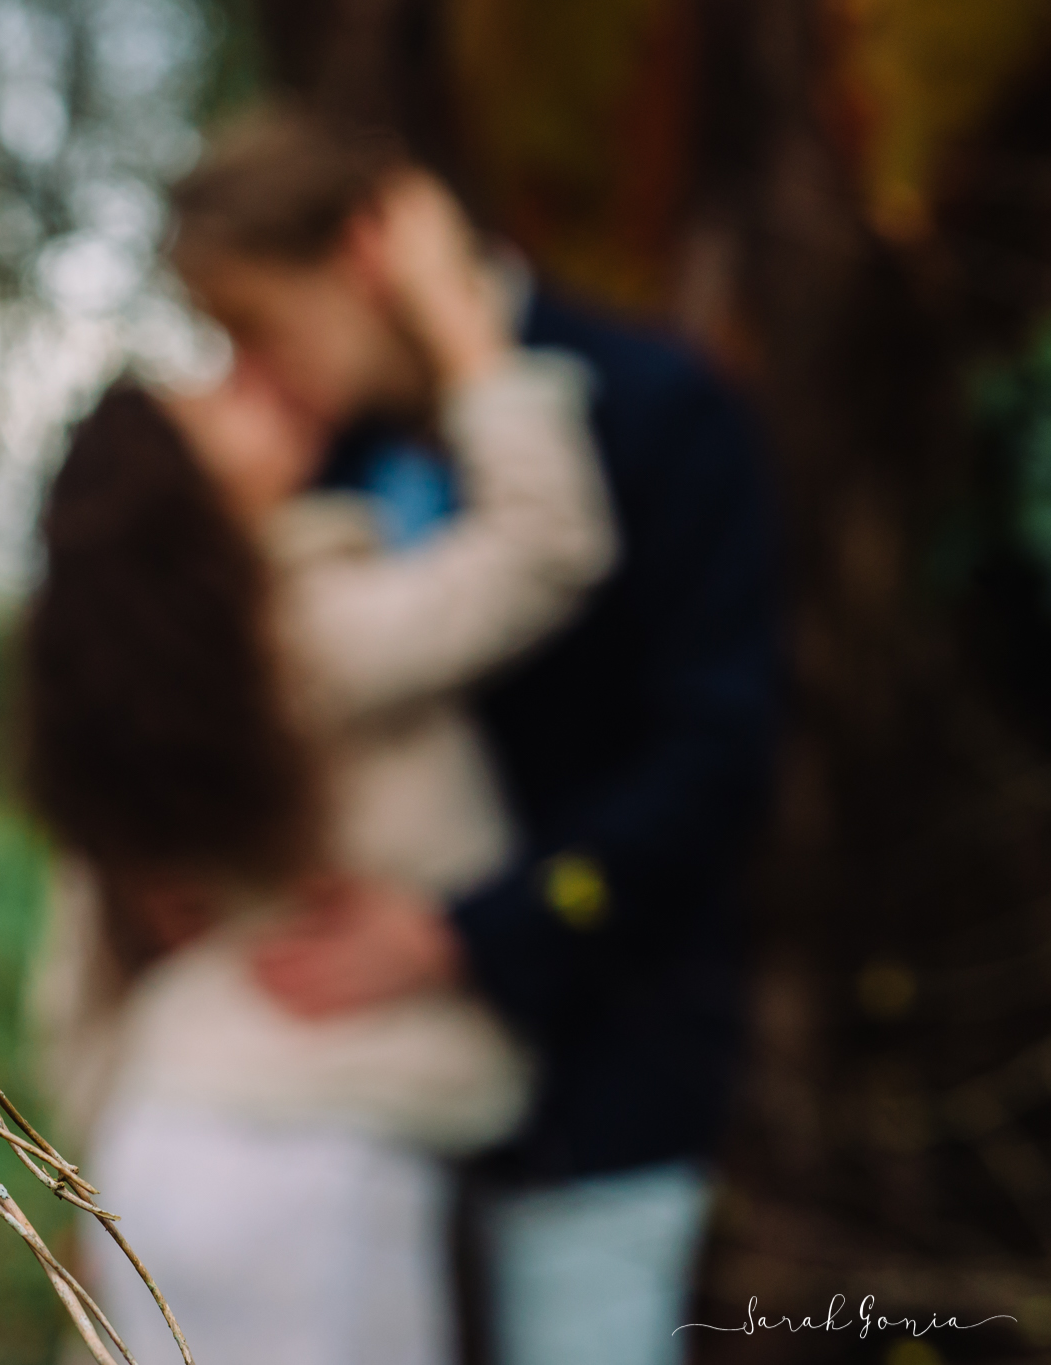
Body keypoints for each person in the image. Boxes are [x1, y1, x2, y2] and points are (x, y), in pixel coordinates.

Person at [164, 108, 779, 1365]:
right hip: (353, 1106)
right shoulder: (312, 460)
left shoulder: (656, 409)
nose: (255, 377)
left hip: (601, 1077)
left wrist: (470, 934)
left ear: (364, 258)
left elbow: (715, 753)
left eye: (256, 328)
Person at [21, 170, 617, 1365]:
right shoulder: (294, 631)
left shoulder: (144, 696)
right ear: (189, 515)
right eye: (220, 405)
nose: (259, 384)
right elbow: (547, 546)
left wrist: (84, 1187)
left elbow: (72, 968)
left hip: (163, 1141)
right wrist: (462, 327)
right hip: (306, 1163)